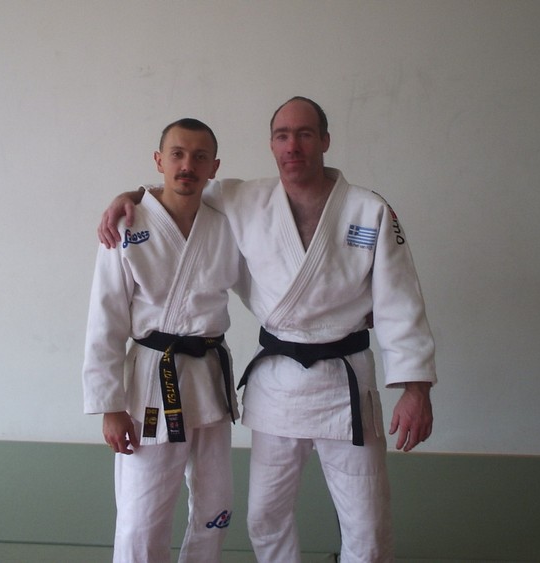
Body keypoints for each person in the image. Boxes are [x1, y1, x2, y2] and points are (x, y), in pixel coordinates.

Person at [98, 97, 436, 563]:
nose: (293, 145)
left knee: (367, 522)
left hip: (346, 383)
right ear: (272, 145)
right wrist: (133, 195)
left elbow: (402, 302)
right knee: (263, 518)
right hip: (277, 385)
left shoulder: (368, 210)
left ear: (325, 141)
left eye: (305, 134)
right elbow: (179, 189)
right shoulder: (244, 199)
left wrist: (416, 388)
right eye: (282, 135)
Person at [82, 118, 245, 563]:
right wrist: (110, 406)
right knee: (143, 513)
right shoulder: (126, 227)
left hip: (209, 378)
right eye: (177, 154)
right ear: (159, 161)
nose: (186, 165)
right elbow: (105, 322)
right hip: (153, 382)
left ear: (214, 167)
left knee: (216, 505)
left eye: (199, 156)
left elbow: (268, 287)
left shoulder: (227, 225)